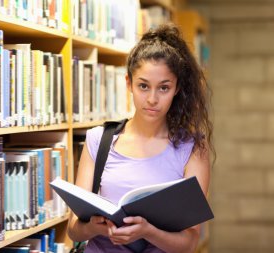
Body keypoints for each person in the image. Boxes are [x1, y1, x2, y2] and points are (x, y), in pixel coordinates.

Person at [67, 23, 215, 253]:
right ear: (129, 83)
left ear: (176, 89)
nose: (152, 99)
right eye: (143, 86)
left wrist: (147, 231)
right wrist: (97, 228)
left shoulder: (193, 148)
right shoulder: (99, 140)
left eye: (163, 88)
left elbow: (189, 243)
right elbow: (73, 230)